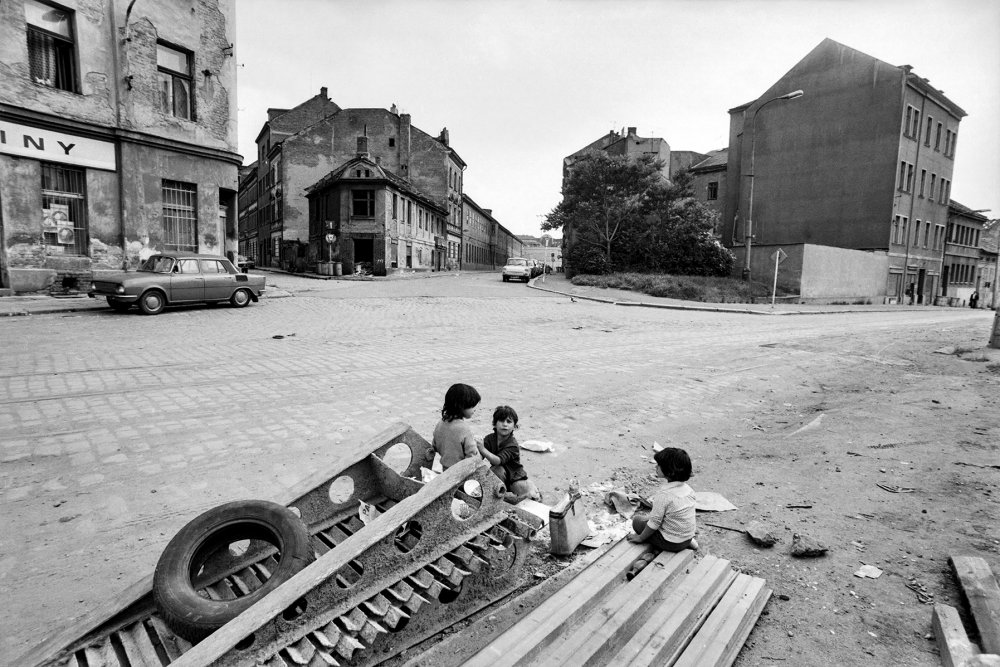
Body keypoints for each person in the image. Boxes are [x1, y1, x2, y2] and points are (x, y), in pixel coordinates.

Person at [627, 447, 698, 552]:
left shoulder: (664, 495)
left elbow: (654, 523)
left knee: (637, 521)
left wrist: (640, 538)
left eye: (658, 465)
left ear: (669, 472)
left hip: (671, 543)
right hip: (687, 538)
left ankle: (666, 542)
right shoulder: (689, 490)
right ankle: (687, 541)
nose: (656, 467)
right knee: (660, 518)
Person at [479, 405, 542, 504]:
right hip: (500, 474)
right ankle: (501, 494)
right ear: (494, 424)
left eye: (509, 421)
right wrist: (475, 449)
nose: (505, 424)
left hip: (515, 477)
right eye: (501, 421)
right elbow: (479, 457)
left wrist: (481, 448)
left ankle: (524, 491)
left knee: (530, 498)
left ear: (515, 427)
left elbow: (497, 460)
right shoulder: (489, 439)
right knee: (495, 471)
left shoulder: (513, 445)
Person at [432, 383, 482, 470]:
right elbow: (471, 455)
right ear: (462, 406)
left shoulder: (440, 423)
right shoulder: (464, 428)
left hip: (445, 469)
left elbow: (435, 445)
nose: (474, 409)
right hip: (461, 472)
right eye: (472, 406)